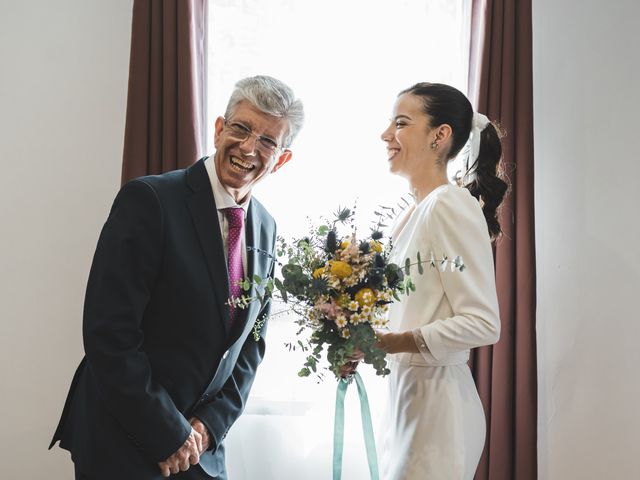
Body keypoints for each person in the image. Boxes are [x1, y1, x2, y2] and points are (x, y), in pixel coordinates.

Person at [49, 75, 304, 480]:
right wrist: (169, 433)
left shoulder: (266, 227)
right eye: (241, 128)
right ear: (219, 129)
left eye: (268, 141)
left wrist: (207, 428)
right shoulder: (149, 200)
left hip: (201, 450)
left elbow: (250, 346)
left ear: (283, 158)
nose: (249, 148)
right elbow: (109, 333)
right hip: (123, 437)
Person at [375, 82, 508, 479]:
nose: (386, 135)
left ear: (440, 135)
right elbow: (408, 310)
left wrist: (388, 343)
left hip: (437, 410)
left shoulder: (448, 205)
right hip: (406, 400)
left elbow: (483, 322)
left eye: (400, 123)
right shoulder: (413, 213)